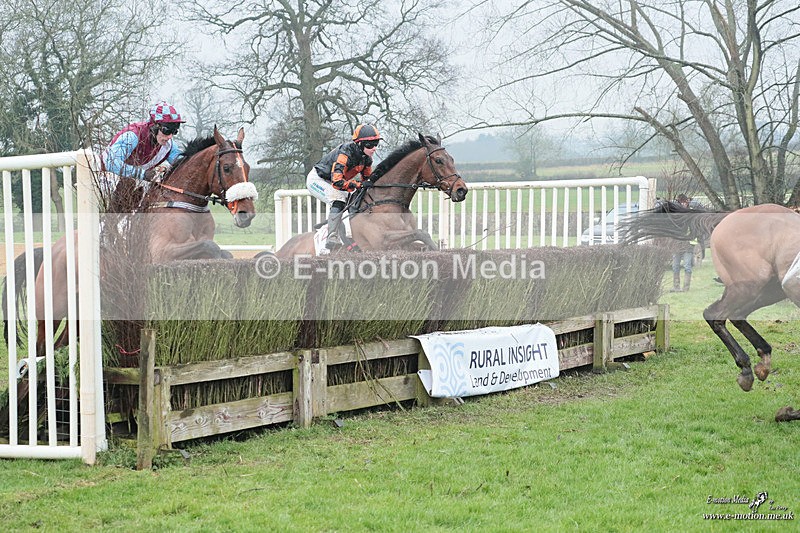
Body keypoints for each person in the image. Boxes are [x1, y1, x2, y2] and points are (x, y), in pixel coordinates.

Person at [307, 124, 381, 248]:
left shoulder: (367, 159)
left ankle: (343, 228)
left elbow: (367, 180)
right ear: (359, 144)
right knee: (339, 200)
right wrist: (358, 184)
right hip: (318, 179)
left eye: (376, 144)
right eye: (370, 145)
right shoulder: (345, 154)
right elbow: (337, 182)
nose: (374, 148)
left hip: (334, 181)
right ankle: (332, 237)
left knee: (356, 198)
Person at [100, 101, 185, 197]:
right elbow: (110, 162)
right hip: (106, 180)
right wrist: (142, 174)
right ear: (154, 126)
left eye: (174, 131)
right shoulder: (132, 136)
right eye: (167, 130)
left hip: (131, 187)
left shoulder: (169, 145)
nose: (170, 136)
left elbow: (182, 162)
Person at [671, 194, 696, 292]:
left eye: (684, 202)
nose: (682, 204)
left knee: (687, 266)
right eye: (680, 202)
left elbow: (695, 230)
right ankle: (676, 287)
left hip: (688, 245)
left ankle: (686, 288)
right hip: (676, 244)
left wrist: (692, 243)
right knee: (675, 266)